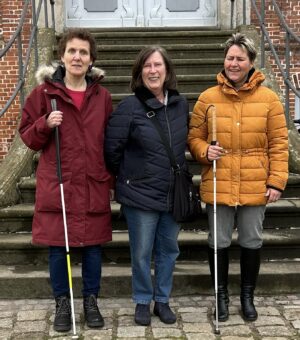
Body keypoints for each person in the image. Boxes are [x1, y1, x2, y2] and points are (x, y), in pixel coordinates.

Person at [188, 33, 288, 322]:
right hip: (220, 179)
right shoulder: (208, 98)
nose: (233, 63)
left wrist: (276, 181)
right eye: (230, 58)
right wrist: (205, 150)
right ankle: (220, 295)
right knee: (218, 240)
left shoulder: (269, 99)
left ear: (251, 62)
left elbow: (279, 144)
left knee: (251, 240)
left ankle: (247, 296)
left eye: (240, 59)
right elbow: (194, 137)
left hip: (256, 182)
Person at [19, 28, 113, 332]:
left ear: (91, 59)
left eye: (83, 52)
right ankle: (63, 303)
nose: (77, 57)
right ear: (62, 55)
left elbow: (109, 141)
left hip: (91, 182)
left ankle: (90, 301)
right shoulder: (44, 94)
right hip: (58, 183)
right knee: (58, 248)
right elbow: (28, 137)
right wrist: (45, 124)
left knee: (93, 247)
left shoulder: (102, 96)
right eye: (72, 51)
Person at [104, 46, 189, 326]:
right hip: (140, 194)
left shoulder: (180, 105)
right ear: (140, 72)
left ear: (167, 70)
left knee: (169, 249)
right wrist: (127, 179)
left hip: (172, 193)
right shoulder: (129, 107)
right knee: (141, 252)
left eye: (158, 65)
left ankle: (162, 301)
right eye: (147, 66)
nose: (153, 71)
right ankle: (142, 300)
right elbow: (112, 150)